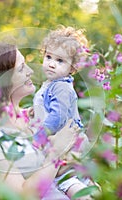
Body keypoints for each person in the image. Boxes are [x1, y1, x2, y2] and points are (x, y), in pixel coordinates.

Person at [0, 42, 80, 199]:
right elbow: (22, 195)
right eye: (22, 68)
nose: (30, 71)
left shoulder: (35, 118)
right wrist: (57, 152)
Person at [32, 26, 95, 198]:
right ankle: (92, 187)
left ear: (72, 68)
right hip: (64, 142)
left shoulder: (60, 86)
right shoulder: (51, 83)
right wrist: (33, 111)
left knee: (67, 182)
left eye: (60, 61)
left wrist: (38, 138)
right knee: (74, 179)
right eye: (49, 57)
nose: (51, 63)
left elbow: (58, 117)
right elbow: (47, 108)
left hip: (66, 144)